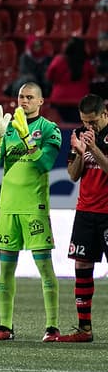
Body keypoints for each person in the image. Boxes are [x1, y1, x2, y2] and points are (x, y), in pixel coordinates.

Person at [0, 83, 63, 341]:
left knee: (45, 268)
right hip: (8, 207)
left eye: (29, 97)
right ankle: (5, 327)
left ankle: (52, 327)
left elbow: (45, 163)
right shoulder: (8, 129)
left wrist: (28, 137)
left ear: (41, 101)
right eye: (21, 97)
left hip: (34, 208)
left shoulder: (50, 129)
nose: (24, 101)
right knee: (5, 269)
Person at [63, 93, 108, 342]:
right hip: (85, 211)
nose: (88, 127)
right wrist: (81, 153)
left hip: (107, 213)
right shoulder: (81, 135)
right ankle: (84, 328)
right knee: (81, 265)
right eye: (84, 122)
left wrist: (93, 149)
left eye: (92, 122)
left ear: (104, 114)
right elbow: (72, 174)